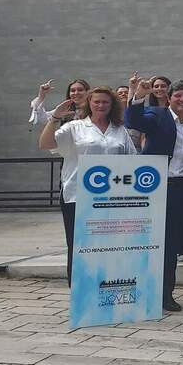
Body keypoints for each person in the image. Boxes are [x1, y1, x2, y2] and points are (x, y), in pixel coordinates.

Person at [38, 86, 136, 285]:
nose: (101, 105)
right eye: (97, 101)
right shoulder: (74, 127)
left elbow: (132, 160)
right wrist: (54, 118)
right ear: (89, 103)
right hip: (78, 196)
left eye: (105, 102)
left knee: (108, 246)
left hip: (112, 198)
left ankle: (104, 286)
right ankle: (80, 291)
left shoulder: (120, 130)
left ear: (112, 105)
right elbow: (46, 144)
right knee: (79, 246)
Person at [125, 76, 183, 312]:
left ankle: (165, 294)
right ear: (169, 98)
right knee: (148, 241)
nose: (182, 99)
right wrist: (138, 96)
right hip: (153, 187)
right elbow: (134, 120)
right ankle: (141, 291)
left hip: (180, 189)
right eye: (177, 96)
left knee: (170, 244)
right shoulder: (157, 115)